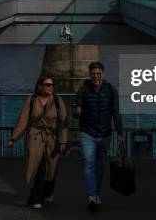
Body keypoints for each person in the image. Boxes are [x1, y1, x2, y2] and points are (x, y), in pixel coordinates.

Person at [9, 76, 68, 209]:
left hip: (52, 138)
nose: (50, 87)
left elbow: (63, 123)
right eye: (47, 85)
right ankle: (37, 198)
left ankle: (46, 192)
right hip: (35, 137)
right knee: (38, 168)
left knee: (51, 169)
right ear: (39, 86)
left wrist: (63, 141)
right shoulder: (31, 101)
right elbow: (23, 121)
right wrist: (14, 138)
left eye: (52, 85)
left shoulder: (58, 101)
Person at [74, 61, 124, 211]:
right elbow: (76, 112)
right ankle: (91, 196)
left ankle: (96, 193)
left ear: (103, 73)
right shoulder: (82, 91)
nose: (96, 76)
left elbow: (116, 114)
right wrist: (76, 113)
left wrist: (120, 133)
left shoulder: (111, 90)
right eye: (93, 74)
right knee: (89, 163)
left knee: (100, 165)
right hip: (87, 133)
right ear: (89, 75)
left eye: (98, 73)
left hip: (105, 134)